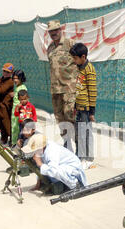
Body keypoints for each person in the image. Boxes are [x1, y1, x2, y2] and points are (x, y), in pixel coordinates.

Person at [47, 20, 78, 149]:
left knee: (71, 117)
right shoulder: (50, 48)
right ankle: (67, 146)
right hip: (56, 90)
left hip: (69, 89)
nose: (53, 33)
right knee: (60, 119)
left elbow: (80, 63)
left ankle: (79, 148)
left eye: (56, 30)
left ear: (60, 30)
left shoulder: (70, 44)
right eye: (51, 31)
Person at [22, 134, 87, 191]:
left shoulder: (52, 152)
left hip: (73, 169)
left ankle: (75, 184)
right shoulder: (43, 148)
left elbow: (53, 170)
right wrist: (38, 184)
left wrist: (40, 164)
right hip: (62, 166)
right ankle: (63, 184)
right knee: (46, 168)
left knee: (53, 171)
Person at [70, 42, 97, 169]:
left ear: (83, 57)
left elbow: (92, 91)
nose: (74, 61)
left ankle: (89, 159)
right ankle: (79, 156)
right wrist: (75, 106)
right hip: (79, 107)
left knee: (86, 133)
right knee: (78, 133)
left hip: (86, 109)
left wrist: (92, 112)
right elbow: (78, 89)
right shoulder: (79, 68)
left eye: (75, 58)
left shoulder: (89, 70)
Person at [0, 63, 15, 145]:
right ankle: (4, 138)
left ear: (11, 73)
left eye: (8, 72)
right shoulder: (0, 79)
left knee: (7, 123)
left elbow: (1, 90)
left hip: (6, 106)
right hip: (0, 105)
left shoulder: (10, 81)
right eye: (4, 71)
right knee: (1, 123)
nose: (5, 73)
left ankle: (11, 139)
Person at [11, 70, 27, 145]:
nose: (15, 80)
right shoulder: (18, 87)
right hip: (15, 111)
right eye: (14, 78)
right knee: (15, 128)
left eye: (17, 78)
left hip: (19, 112)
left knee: (17, 129)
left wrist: (18, 107)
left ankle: (16, 144)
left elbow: (24, 101)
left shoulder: (22, 88)